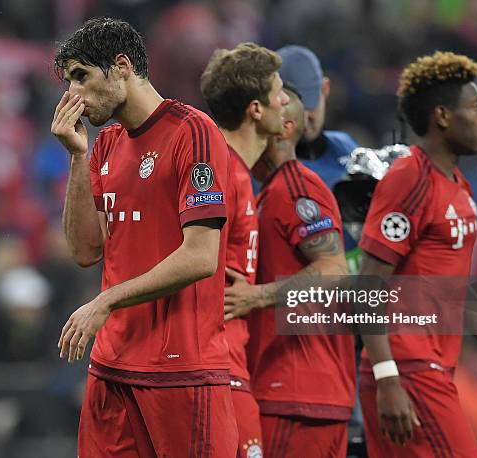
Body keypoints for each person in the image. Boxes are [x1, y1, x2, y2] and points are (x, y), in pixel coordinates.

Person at [51, 17, 237, 457]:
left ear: (121, 66)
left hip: (180, 371)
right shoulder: (105, 145)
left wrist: (107, 300)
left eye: (81, 76)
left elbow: (200, 257)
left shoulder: (193, 132)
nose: (70, 95)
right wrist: (77, 159)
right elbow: (83, 250)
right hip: (111, 369)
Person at [357, 51, 477, 457]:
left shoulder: (461, 190)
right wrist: (387, 378)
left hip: (427, 370)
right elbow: (365, 285)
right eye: (475, 106)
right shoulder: (410, 177)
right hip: (408, 371)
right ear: (443, 116)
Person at [224, 86, 355, 457]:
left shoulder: (295, 188)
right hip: (303, 394)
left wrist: (257, 296)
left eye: (255, 117)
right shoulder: (269, 192)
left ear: (283, 128)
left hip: (295, 391)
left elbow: (334, 270)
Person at [200, 42, 289, 458]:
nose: (286, 100)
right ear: (256, 108)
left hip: (231, 364)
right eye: (279, 91)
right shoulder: (221, 173)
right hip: (217, 367)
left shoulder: (238, 173)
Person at [276, 45, 358, 191]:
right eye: (292, 108)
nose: (305, 118)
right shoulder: (261, 171)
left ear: (325, 89)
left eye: (310, 104)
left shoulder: (347, 149)